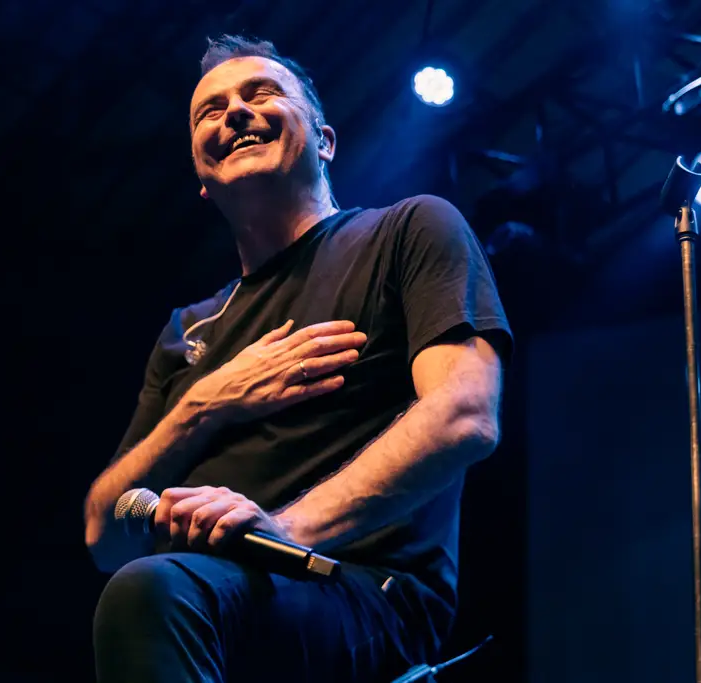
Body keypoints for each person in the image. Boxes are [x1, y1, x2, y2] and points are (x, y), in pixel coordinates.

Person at [83, 34, 512, 683]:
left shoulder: (409, 230)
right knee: (146, 590)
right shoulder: (187, 332)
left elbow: (465, 413)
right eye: (209, 110)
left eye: (261, 94)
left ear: (325, 140)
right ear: (202, 182)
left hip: (363, 593)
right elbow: (103, 532)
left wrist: (284, 529)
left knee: (152, 592)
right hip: (215, 600)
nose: (234, 112)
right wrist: (205, 403)